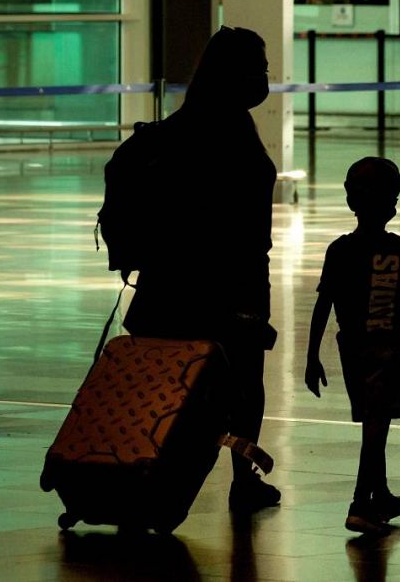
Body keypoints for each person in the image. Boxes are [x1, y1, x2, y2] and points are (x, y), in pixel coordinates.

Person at [122, 27, 282, 511]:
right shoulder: (231, 136)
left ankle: (136, 468)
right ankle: (243, 480)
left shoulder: (176, 129)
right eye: (259, 68)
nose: (265, 78)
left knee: (167, 386)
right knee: (243, 386)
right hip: (230, 289)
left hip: (166, 287)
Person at [305, 157, 400, 535]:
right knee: (377, 427)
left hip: (354, 349)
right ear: (393, 206)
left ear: (351, 202)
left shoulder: (339, 250)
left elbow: (322, 305)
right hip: (391, 349)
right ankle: (361, 502)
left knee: (374, 421)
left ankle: (381, 494)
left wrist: (312, 356)